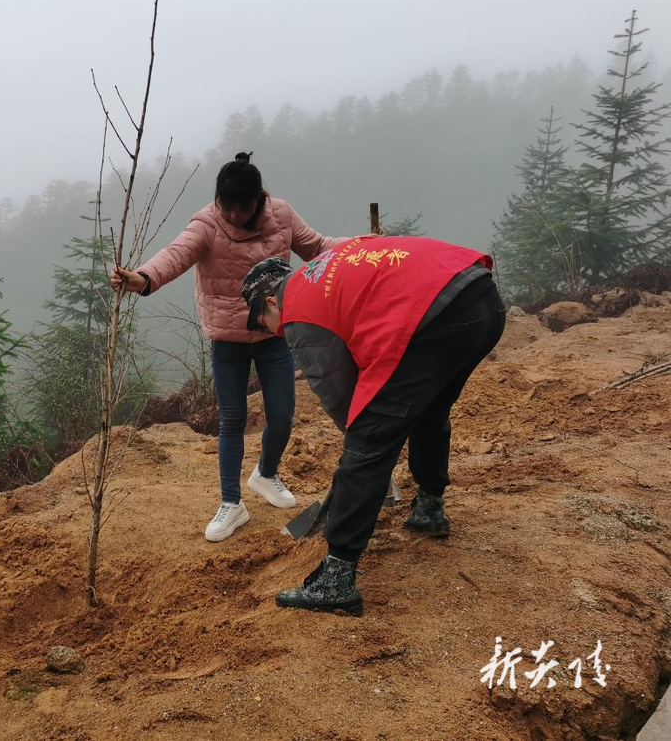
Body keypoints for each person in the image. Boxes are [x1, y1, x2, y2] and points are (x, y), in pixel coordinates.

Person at [241, 235, 504, 615]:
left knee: (367, 439)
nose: (272, 334)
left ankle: (336, 579)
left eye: (264, 326)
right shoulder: (323, 271)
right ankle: (429, 508)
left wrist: (364, 456)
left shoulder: (298, 308)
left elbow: (340, 395)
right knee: (429, 408)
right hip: (481, 299)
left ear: (270, 302)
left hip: (436, 316)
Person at [110, 152, 349, 541]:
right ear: (218, 200)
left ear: (260, 200)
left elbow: (318, 246)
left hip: (273, 335)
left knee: (282, 416)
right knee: (232, 420)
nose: (235, 215)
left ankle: (266, 474)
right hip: (227, 341)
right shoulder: (207, 224)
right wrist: (144, 278)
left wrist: (360, 246)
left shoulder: (282, 216)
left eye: (244, 207)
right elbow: (176, 254)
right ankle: (231, 503)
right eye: (228, 206)